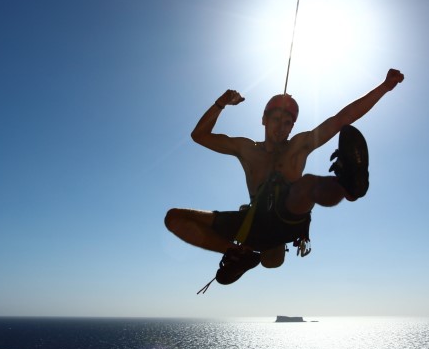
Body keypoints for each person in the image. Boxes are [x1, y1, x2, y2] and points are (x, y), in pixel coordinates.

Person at [165, 68, 404, 288]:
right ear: (263, 120)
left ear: (292, 127)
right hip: (253, 222)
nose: (281, 127)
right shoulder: (246, 149)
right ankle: (238, 254)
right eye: (276, 120)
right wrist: (221, 103)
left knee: (307, 184)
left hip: (288, 216)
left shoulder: (298, 146)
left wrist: (384, 87)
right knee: (174, 218)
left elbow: (342, 118)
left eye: (287, 123)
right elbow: (199, 136)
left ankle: (348, 186)